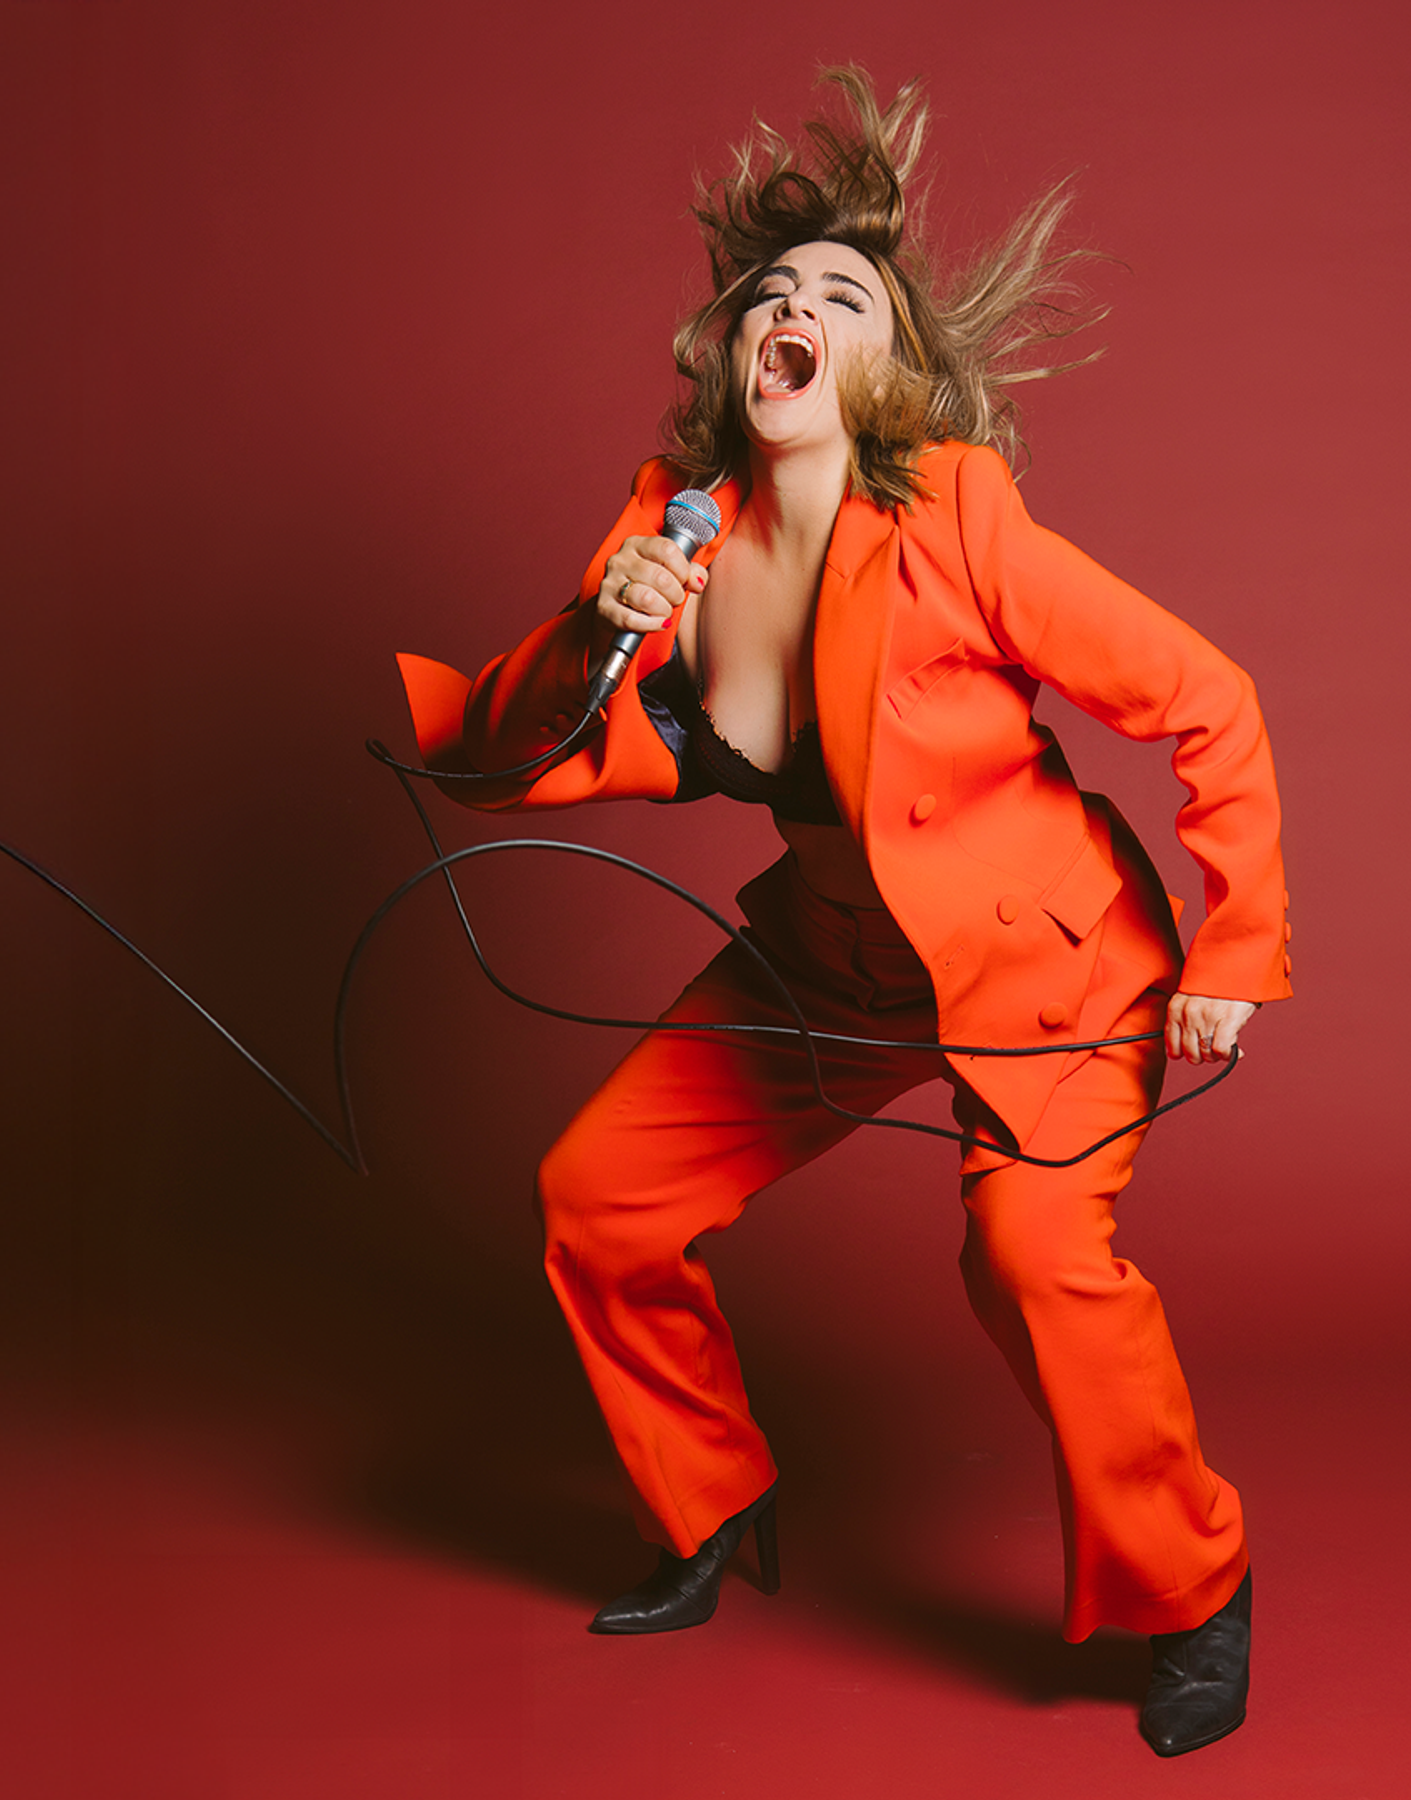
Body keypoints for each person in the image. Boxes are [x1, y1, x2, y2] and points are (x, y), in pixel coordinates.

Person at [394, 69, 1289, 1759]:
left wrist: (1234, 949)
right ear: (735, 351)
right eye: (770, 294)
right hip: (831, 963)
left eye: (841, 296)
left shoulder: (952, 512)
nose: (794, 305)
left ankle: (1195, 1590)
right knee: (596, 1199)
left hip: (1046, 965)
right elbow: (519, 757)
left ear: (884, 369)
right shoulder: (673, 534)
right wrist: (597, 629)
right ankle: (712, 1507)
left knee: (1027, 1258)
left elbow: (1210, 699)